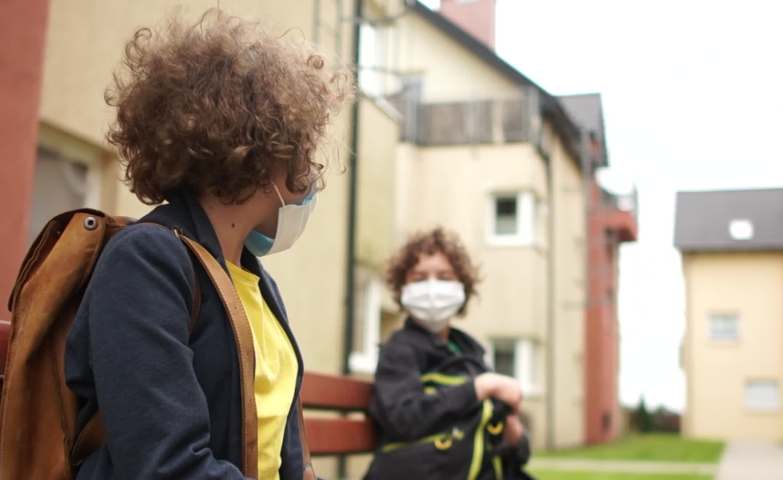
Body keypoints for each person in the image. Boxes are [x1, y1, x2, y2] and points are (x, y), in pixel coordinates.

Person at [64, 9, 349, 479]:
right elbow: (166, 467)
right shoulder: (146, 262)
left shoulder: (256, 282)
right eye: (306, 151)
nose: (313, 174)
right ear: (263, 149)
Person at [365, 227, 532, 480]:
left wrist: (514, 431)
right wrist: (479, 387)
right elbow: (402, 419)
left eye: (444, 277)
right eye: (419, 279)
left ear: (462, 287)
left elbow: (518, 453)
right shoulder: (400, 349)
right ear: (403, 288)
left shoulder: (469, 351)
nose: (432, 288)